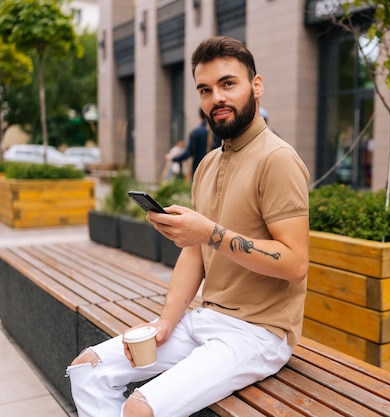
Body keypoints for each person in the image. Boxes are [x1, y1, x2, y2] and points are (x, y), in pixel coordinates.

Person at [67, 36, 311, 417]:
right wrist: (165, 322)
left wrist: (210, 233)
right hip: (204, 318)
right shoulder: (208, 164)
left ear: (256, 85)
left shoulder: (278, 160)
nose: (217, 98)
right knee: (87, 369)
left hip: (258, 333)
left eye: (228, 83)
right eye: (205, 89)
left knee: (139, 408)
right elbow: (194, 254)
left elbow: (296, 264)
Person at [169, 107, 217, 178]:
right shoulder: (218, 133)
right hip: (215, 169)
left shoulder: (196, 133)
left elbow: (189, 153)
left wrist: (174, 158)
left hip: (199, 169)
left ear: (199, 116)